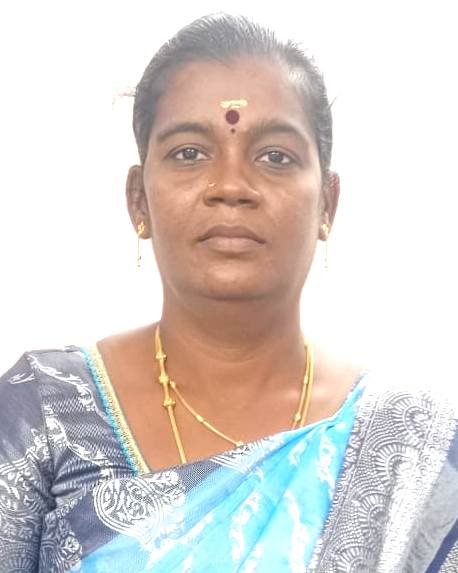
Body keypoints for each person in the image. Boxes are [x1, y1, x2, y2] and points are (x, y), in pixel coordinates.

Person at [0, 13, 456, 573]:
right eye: (190, 153)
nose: (232, 187)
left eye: (275, 157)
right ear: (138, 200)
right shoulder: (44, 413)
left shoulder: (413, 446)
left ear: (328, 204)